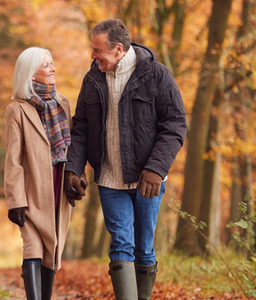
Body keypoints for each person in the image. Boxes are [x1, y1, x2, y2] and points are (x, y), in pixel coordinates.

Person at [63, 19, 187, 300]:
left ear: (118, 49)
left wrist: (156, 168)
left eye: (98, 50)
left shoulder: (157, 75)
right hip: (109, 179)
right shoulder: (92, 79)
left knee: (144, 247)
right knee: (121, 243)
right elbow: (80, 128)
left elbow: (175, 124)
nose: (93, 56)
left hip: (148, 181)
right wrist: (74, 169)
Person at [4, 47, 86, 300]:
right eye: (46, 65)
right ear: (31, 73)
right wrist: (15, 201)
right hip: (32, 191)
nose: (53, 69)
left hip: (59, 188)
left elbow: (73, 147)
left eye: (52, 64)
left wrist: (77, 177)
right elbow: (13, 160)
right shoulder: (16, 110)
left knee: (52, 250)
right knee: (32, 247)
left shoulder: (62, 102)